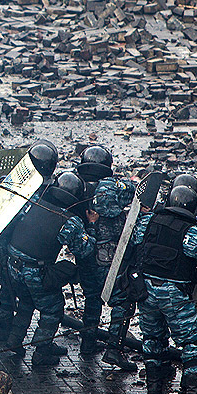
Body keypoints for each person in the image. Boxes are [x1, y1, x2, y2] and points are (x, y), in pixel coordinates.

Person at [131, 185, 197, 394]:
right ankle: (192, 393)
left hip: (145, 290)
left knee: (152, 338)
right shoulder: (193, 232)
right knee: (191, 342)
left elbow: (134, 243)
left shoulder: (148, 222)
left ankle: (153, 389)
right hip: (175, 295)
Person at [5, 170, 97, 366]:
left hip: (12, 265)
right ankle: (42, 350)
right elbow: (84, 249)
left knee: (27, 301)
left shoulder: (35, 201)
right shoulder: (69, 221)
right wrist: (91, 226)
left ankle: (14, 340)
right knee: (53, 308)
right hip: (34, 270)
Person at [75, 145, 137, 366]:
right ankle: (114, 349)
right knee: (122, 301)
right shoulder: (109, 188)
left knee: (92, 298)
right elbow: (134, 191)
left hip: (84, 253)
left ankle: (88, 342)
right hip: (107, 256)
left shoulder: (75, 185)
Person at [0, 140, 58, 347]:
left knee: (6, 294)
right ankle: (13, 340)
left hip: (6, 250)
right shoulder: (46, 191)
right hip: (23, 251)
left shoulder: (8, 184)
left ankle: (5, 336)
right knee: (24, 298)